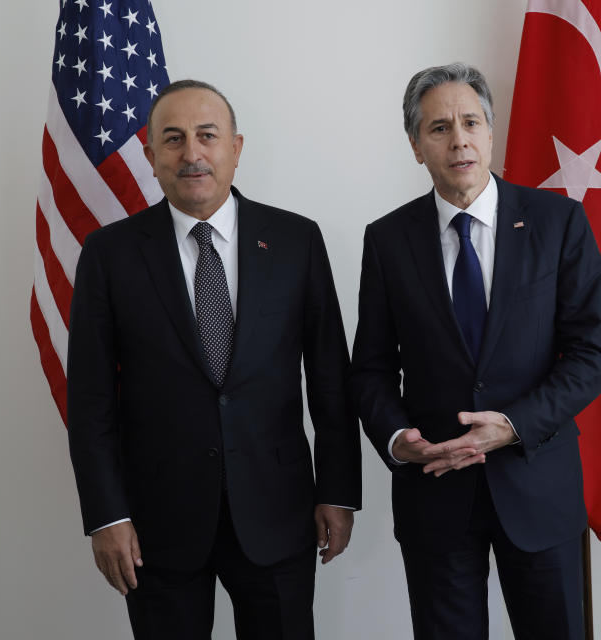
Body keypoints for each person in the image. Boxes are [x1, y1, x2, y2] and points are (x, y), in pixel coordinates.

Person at [67, 79, 361, 639]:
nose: (192, 153)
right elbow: (91, 402)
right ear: (151, 156)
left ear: (236, 147)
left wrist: (338, 493)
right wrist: (107, 515)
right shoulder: (109, 255)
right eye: (173, 140)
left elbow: (330, 382)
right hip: (156, 525)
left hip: (280, 513)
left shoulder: (297, 240)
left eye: (207, 136)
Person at [350, 63, 601, 639]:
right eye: (439, 127)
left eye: (471, 122)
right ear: (417, 146)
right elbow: (370, 369)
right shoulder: (387, 240)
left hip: (538, 489)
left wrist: (514, 425)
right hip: (436, 496)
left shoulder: (557, 221)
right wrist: (399, 441)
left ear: (491, 133)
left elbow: (592, 354)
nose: (459, 139)